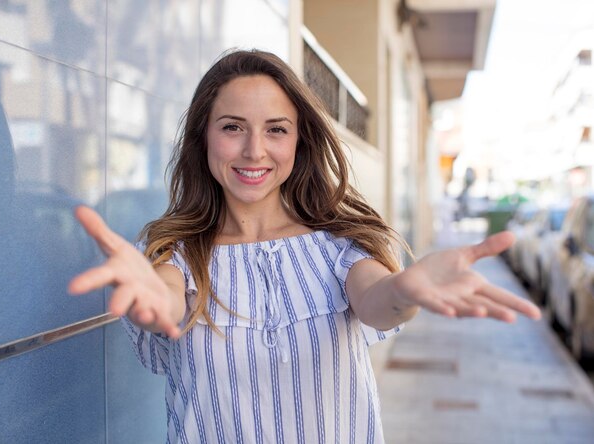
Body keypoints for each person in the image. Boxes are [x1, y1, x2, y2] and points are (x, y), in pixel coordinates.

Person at [68, 49, 541, 443]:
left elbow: (378, 300)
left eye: (276, 129)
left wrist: (405, 290)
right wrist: (151, 304)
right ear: (203, 136)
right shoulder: (174, 249)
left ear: (299, 141)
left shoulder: (341, 243)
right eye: (233, 127)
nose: (255, 150)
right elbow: (166, 299)